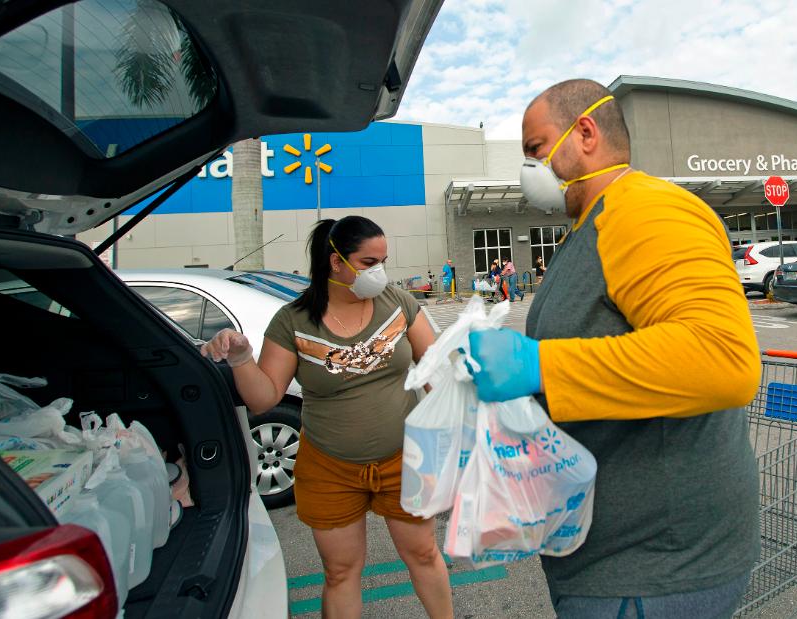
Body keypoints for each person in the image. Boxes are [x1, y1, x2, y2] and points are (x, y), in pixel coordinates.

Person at [466, 79, 762, 618]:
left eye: (535, 150)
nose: (530, 167)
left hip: (654, 571)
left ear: (584, 133)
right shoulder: (589, 226)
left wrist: (538, 366)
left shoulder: (645, 210)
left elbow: (723, 359)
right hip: (605, 558)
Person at [200, 216, 452, 619]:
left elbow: (439, 368)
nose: (380, 272)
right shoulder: (294, 321)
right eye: (368, 262)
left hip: (405, 460)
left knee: (423, 554)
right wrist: (242, 358)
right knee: (340, 571)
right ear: (336, 262)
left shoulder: (398, 303)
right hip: (330, 469)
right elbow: (264, 399)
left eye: (383, 260)